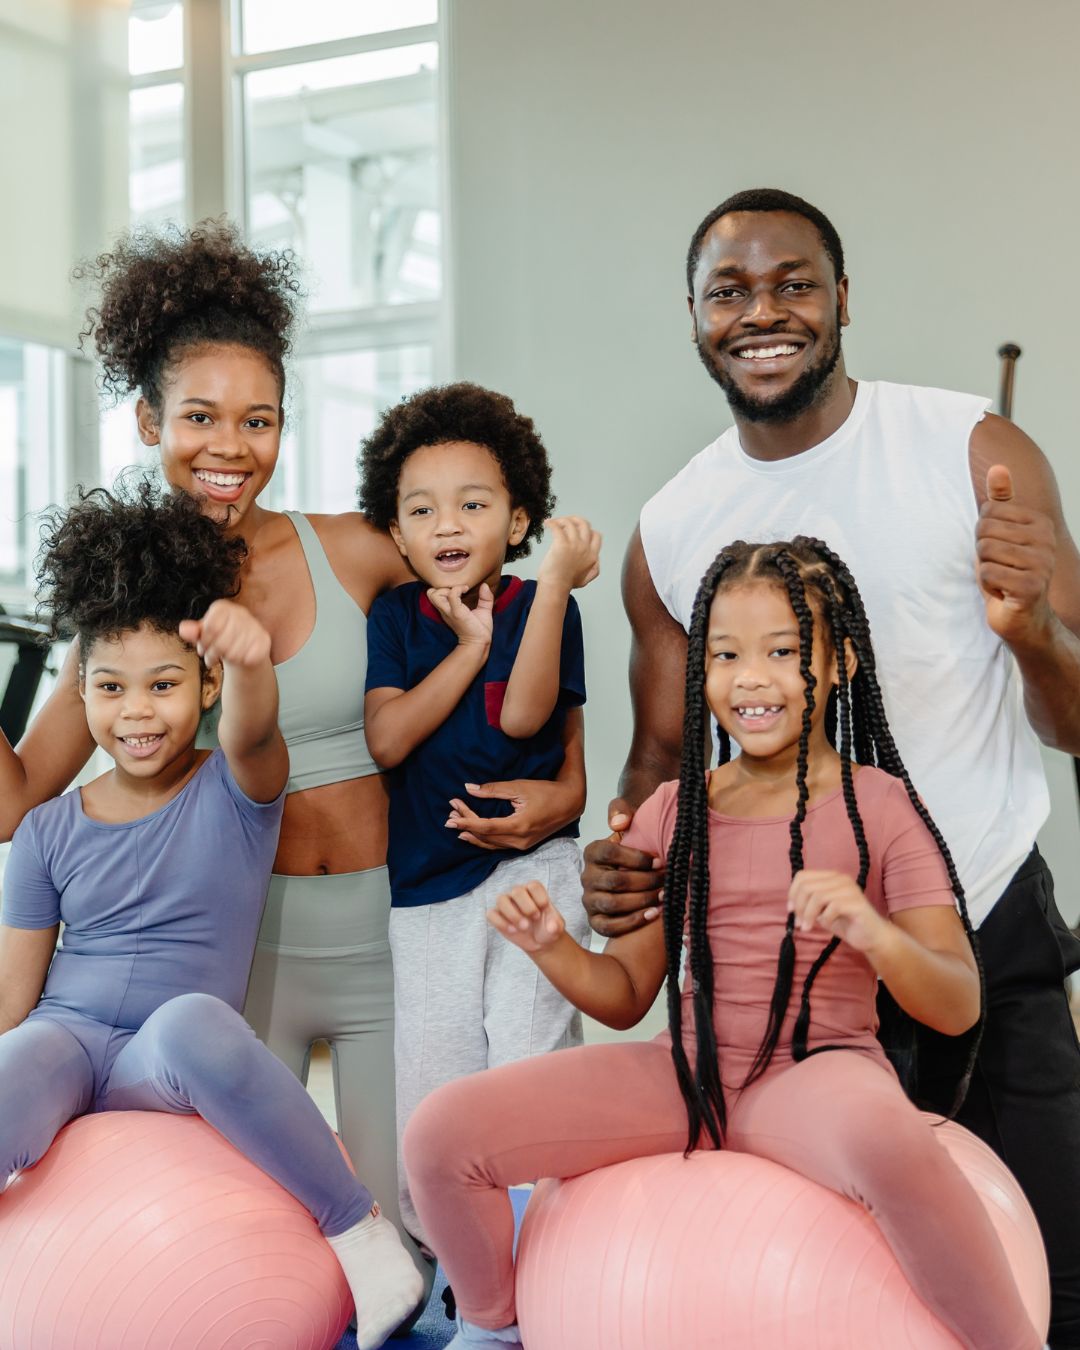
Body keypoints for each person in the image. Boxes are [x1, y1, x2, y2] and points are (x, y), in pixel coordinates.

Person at [0, 220, 587, 1316]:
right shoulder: (124, 620)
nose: (230, 446)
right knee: (264, 1250)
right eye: (200, 418)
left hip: (386, 923)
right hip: (242, 958)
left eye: (258, 419)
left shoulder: (355, 546)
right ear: (147, 422)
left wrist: (567, 791)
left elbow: (500, 604)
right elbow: (20, 800)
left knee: (411, 1221)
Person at [581, 187, 1080, 1349]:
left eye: (794, 282)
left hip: (982, 929)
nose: (764, 312)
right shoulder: (672, 527)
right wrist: (617, 863)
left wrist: (1035, 634)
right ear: (695, 315)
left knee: (1056, 1282)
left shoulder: (977, 451)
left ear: (843, 298)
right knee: (831, 1300)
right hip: (786, 986)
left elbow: (1074, 720)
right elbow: (661, 760)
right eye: (730, 290)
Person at [403, 538, 1041, 1350]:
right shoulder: (679, 807)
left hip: (817, 1076)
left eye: (783, 652)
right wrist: (552, 947)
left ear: (839, 661)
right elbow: (628, 992)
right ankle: (492, 1329)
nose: (751, 678)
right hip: (685, 1075)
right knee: (442, 1134)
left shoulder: (880, 807)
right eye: (727, 654)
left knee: (892, 1141)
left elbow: (957, 1003)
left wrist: (872, 932)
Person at [0, 482, 423, 1350]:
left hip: (166, 1053)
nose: (137, 711)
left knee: (195, 1021)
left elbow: (256, 734)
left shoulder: (237, 790)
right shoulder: (44, 830)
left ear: (204, 684)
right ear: (81, 695)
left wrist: (255, 665)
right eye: (111, 688)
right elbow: (15, 993)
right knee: (18, 1054)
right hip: (69, 1037)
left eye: (162, 685)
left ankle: (362, 1233)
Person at [358, 381, 601, 1242]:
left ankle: (545, 1247)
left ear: (519, 520)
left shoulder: (545, 604)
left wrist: (554, 586)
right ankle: (458, 1267)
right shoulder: (394, 617)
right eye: (421, 510)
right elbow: (388, 740)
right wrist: (467, 646)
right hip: (426, 888)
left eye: (473, 503)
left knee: (527, 1057)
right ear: (396, 533)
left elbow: (525, 717)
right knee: (436, 1080)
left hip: (532, 868)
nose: (448, 525)